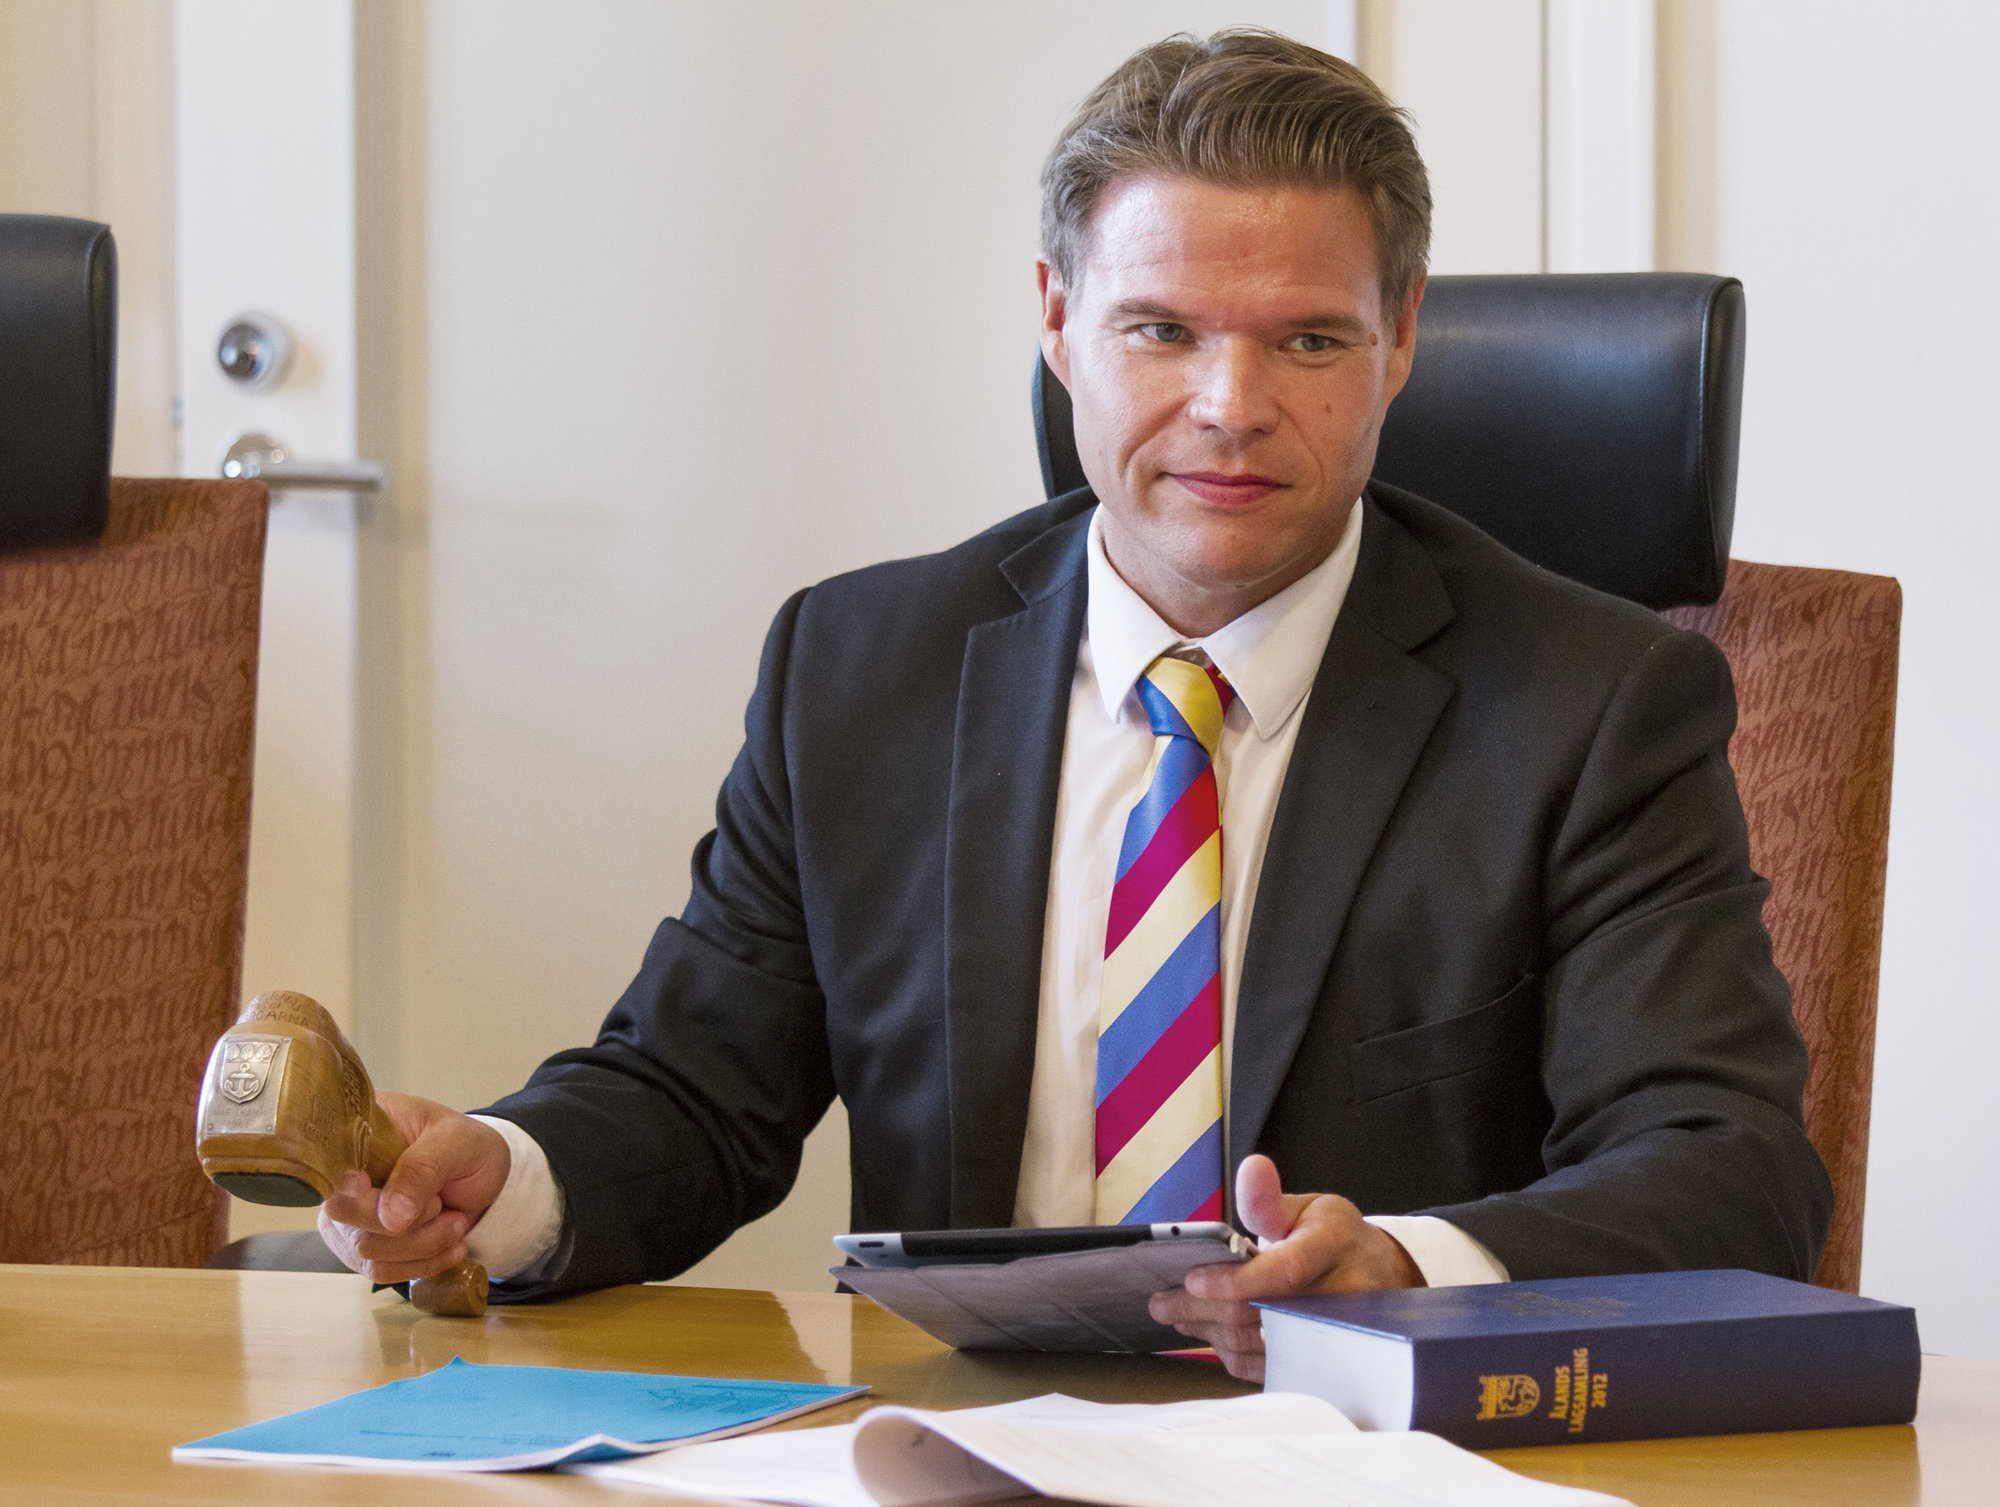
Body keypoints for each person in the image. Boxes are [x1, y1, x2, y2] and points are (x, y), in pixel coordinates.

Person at [319, 29, 1830, 1381]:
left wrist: (1409, 1269)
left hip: (1369, 1456)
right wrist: (501, 1180)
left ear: (1402, 339)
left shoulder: (1593, 706)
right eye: (1162, 330)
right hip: (964, 1444)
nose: (1231, 405)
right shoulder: (859, 669)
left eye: (1309, 339)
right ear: (1057, 319)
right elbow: (695, 1092)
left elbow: (1729, 1166)